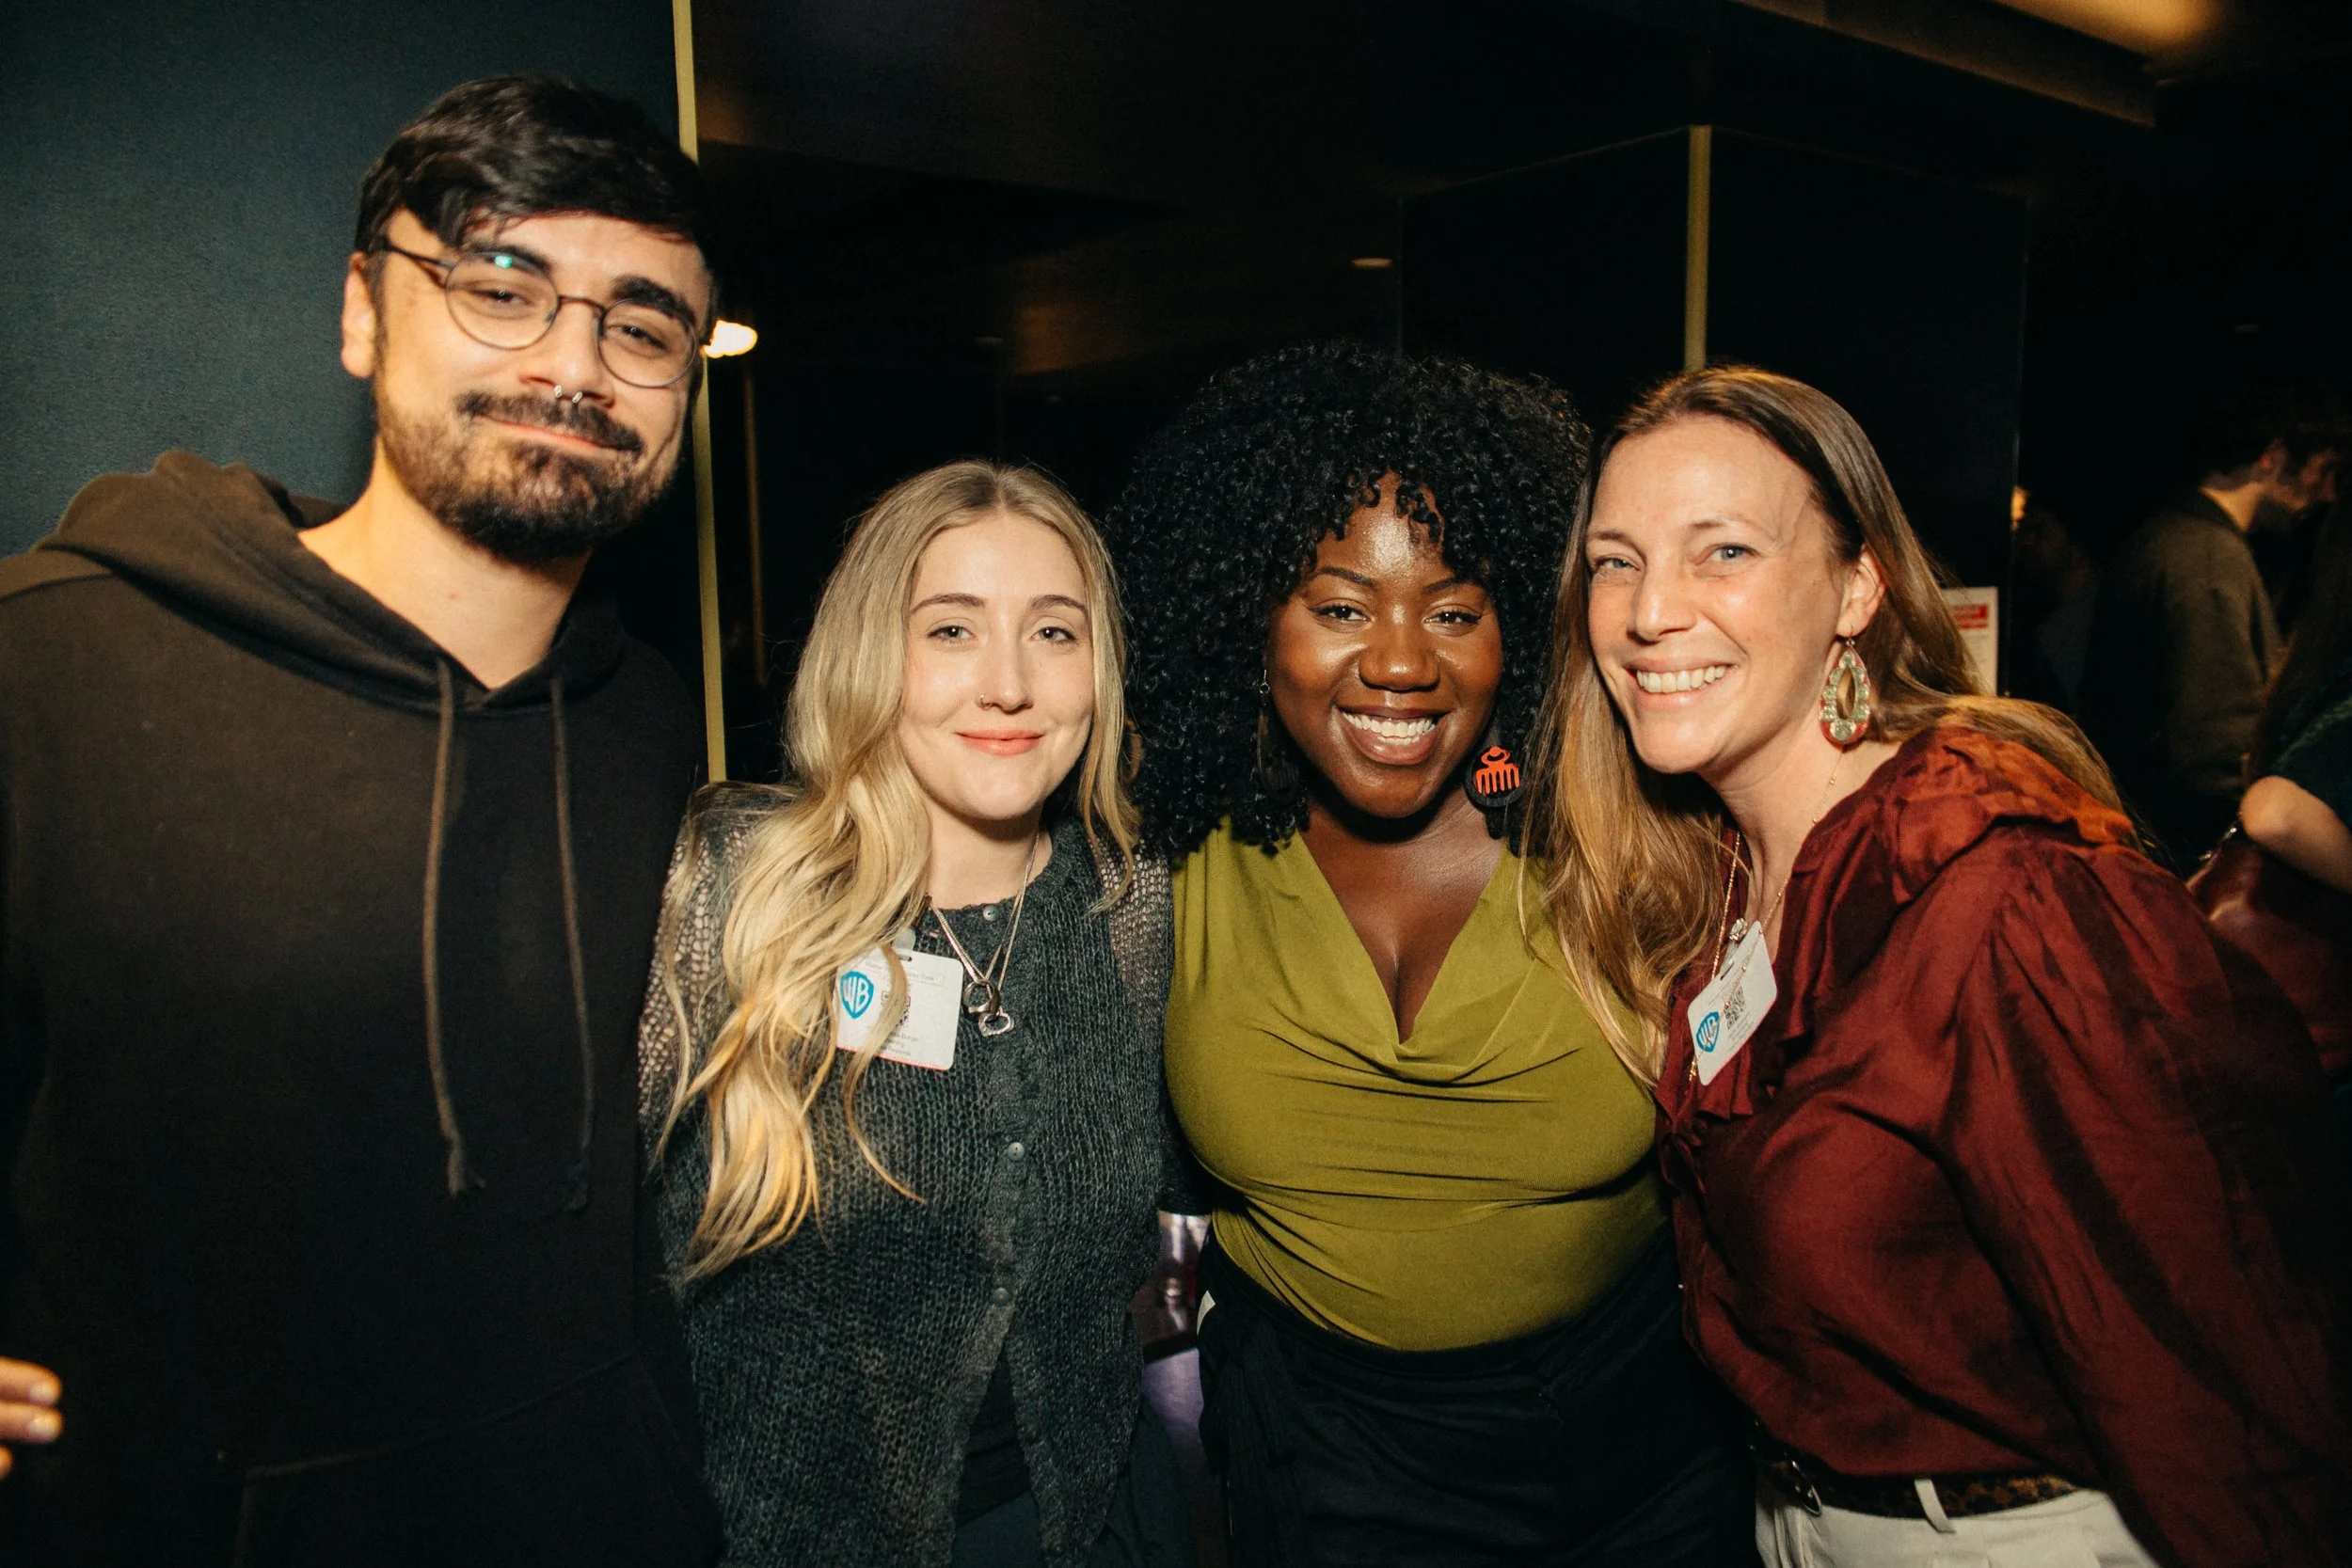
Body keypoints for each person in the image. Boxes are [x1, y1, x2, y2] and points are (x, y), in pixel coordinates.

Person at [0, 77, 723, 1564]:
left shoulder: (649, 723)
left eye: (642, 327)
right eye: (501, 288)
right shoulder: (53, 659)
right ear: (361, 309)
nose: (572, 365)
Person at [1540, 363, 2352, 1568]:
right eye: (1616, 560)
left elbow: (2218, 1358)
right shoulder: (1724, 874)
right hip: (1799, 1518)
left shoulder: (2007, 900)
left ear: (1856, 584)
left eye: (1724, 552)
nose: (1650, 611)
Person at [1114, 341, 1754, 1568]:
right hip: (1323, 1447)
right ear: (1252, 617)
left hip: (1649, 1436)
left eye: (1454, 611)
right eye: (1340, 607)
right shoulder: (1167, 850)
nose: (1403, 661)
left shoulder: (1632, 833)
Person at [642, 461, 1193, 1568]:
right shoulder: (726, 887)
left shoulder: (1129, 901)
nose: (1008, 684)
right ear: (871, 655)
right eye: (950, 630)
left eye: (1053, 632)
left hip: (1077, 1519)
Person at [2077, 382, 2346, 868]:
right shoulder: (2206, 556)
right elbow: (2212, 746)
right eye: (2322, 468)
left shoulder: (2176, 536)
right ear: (2272, 457)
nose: (2325, 494)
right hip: (2179, 848)